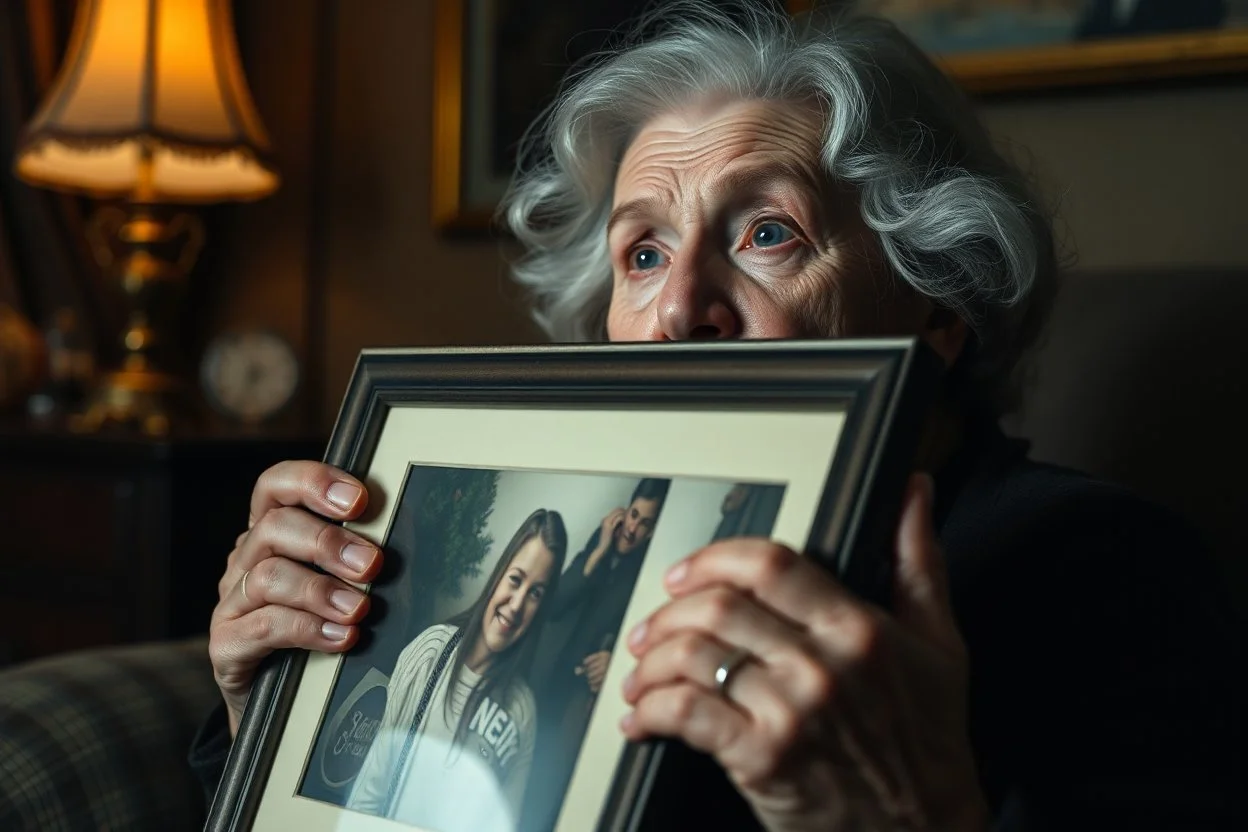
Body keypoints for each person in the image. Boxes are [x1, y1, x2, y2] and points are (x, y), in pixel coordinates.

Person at [192, 3, 1243, 830]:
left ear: (937, 303)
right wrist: (280, 713)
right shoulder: (593, 572)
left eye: (768, 233)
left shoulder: (1101, 566)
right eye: (642, 252)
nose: (677, 312)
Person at [345, 508, 567, 830]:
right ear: (498, 577)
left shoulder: (522, 711)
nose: (517, 604)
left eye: (535, 594)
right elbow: (371, 788)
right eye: (516, 580)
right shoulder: (433, 651)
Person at [521, 479, 669, 830]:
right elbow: (553, 605)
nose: (633, 528)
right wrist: (598, 552)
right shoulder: (596, 545)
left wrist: (617, 662)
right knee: (522, 769)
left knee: (555, 786)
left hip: (585, 701)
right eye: (634, 515)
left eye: (646, 523)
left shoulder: (650, 571)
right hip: (546, 678)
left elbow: (647, 637)